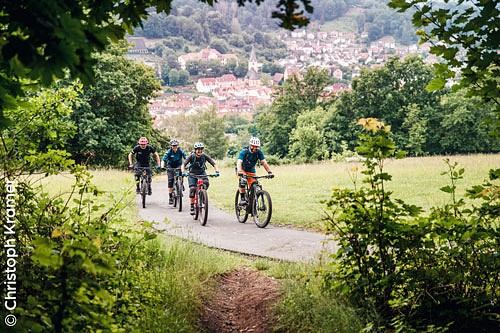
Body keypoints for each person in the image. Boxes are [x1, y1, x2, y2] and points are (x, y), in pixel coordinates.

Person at [181, 142, 219, 215]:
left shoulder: (204, 156)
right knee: (192, 189)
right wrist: (183, 172)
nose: (199, 151)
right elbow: (183, 164)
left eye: (201, 149)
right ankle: (192, 206)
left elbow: (213, 163)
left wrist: (216, 171)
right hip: (192, 174)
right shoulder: (191, 156)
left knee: (206, 183)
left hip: (202, 173)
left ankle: (202, 195)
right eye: (198, 149)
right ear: (195, 150)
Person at [236, 137, 274, 205]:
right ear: (250, 146)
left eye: (257, 147)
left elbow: (264, 162)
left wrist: (269, 172)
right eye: (254, 146)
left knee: (255, 184)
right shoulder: (244, 152)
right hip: (242, 169)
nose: (256, 148)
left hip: (251, 170)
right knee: (243, 181)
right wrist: (239, 171)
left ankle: (253, 202)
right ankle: (242, 199)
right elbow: (239, 162)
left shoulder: (259, 152)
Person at [161, 138, 187, 205]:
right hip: (170, 166)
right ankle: (170, 197)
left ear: (178, 146)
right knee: (171, 180)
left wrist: (187, 164)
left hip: (178, 165)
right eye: (173, 146)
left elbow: (186, 158)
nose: (174, 147)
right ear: (171, 146)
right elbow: (164, 159)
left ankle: (181, 184)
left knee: (182, 173)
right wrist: (162, 166)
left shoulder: (180, 151)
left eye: (176, 146)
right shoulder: (169, 151)